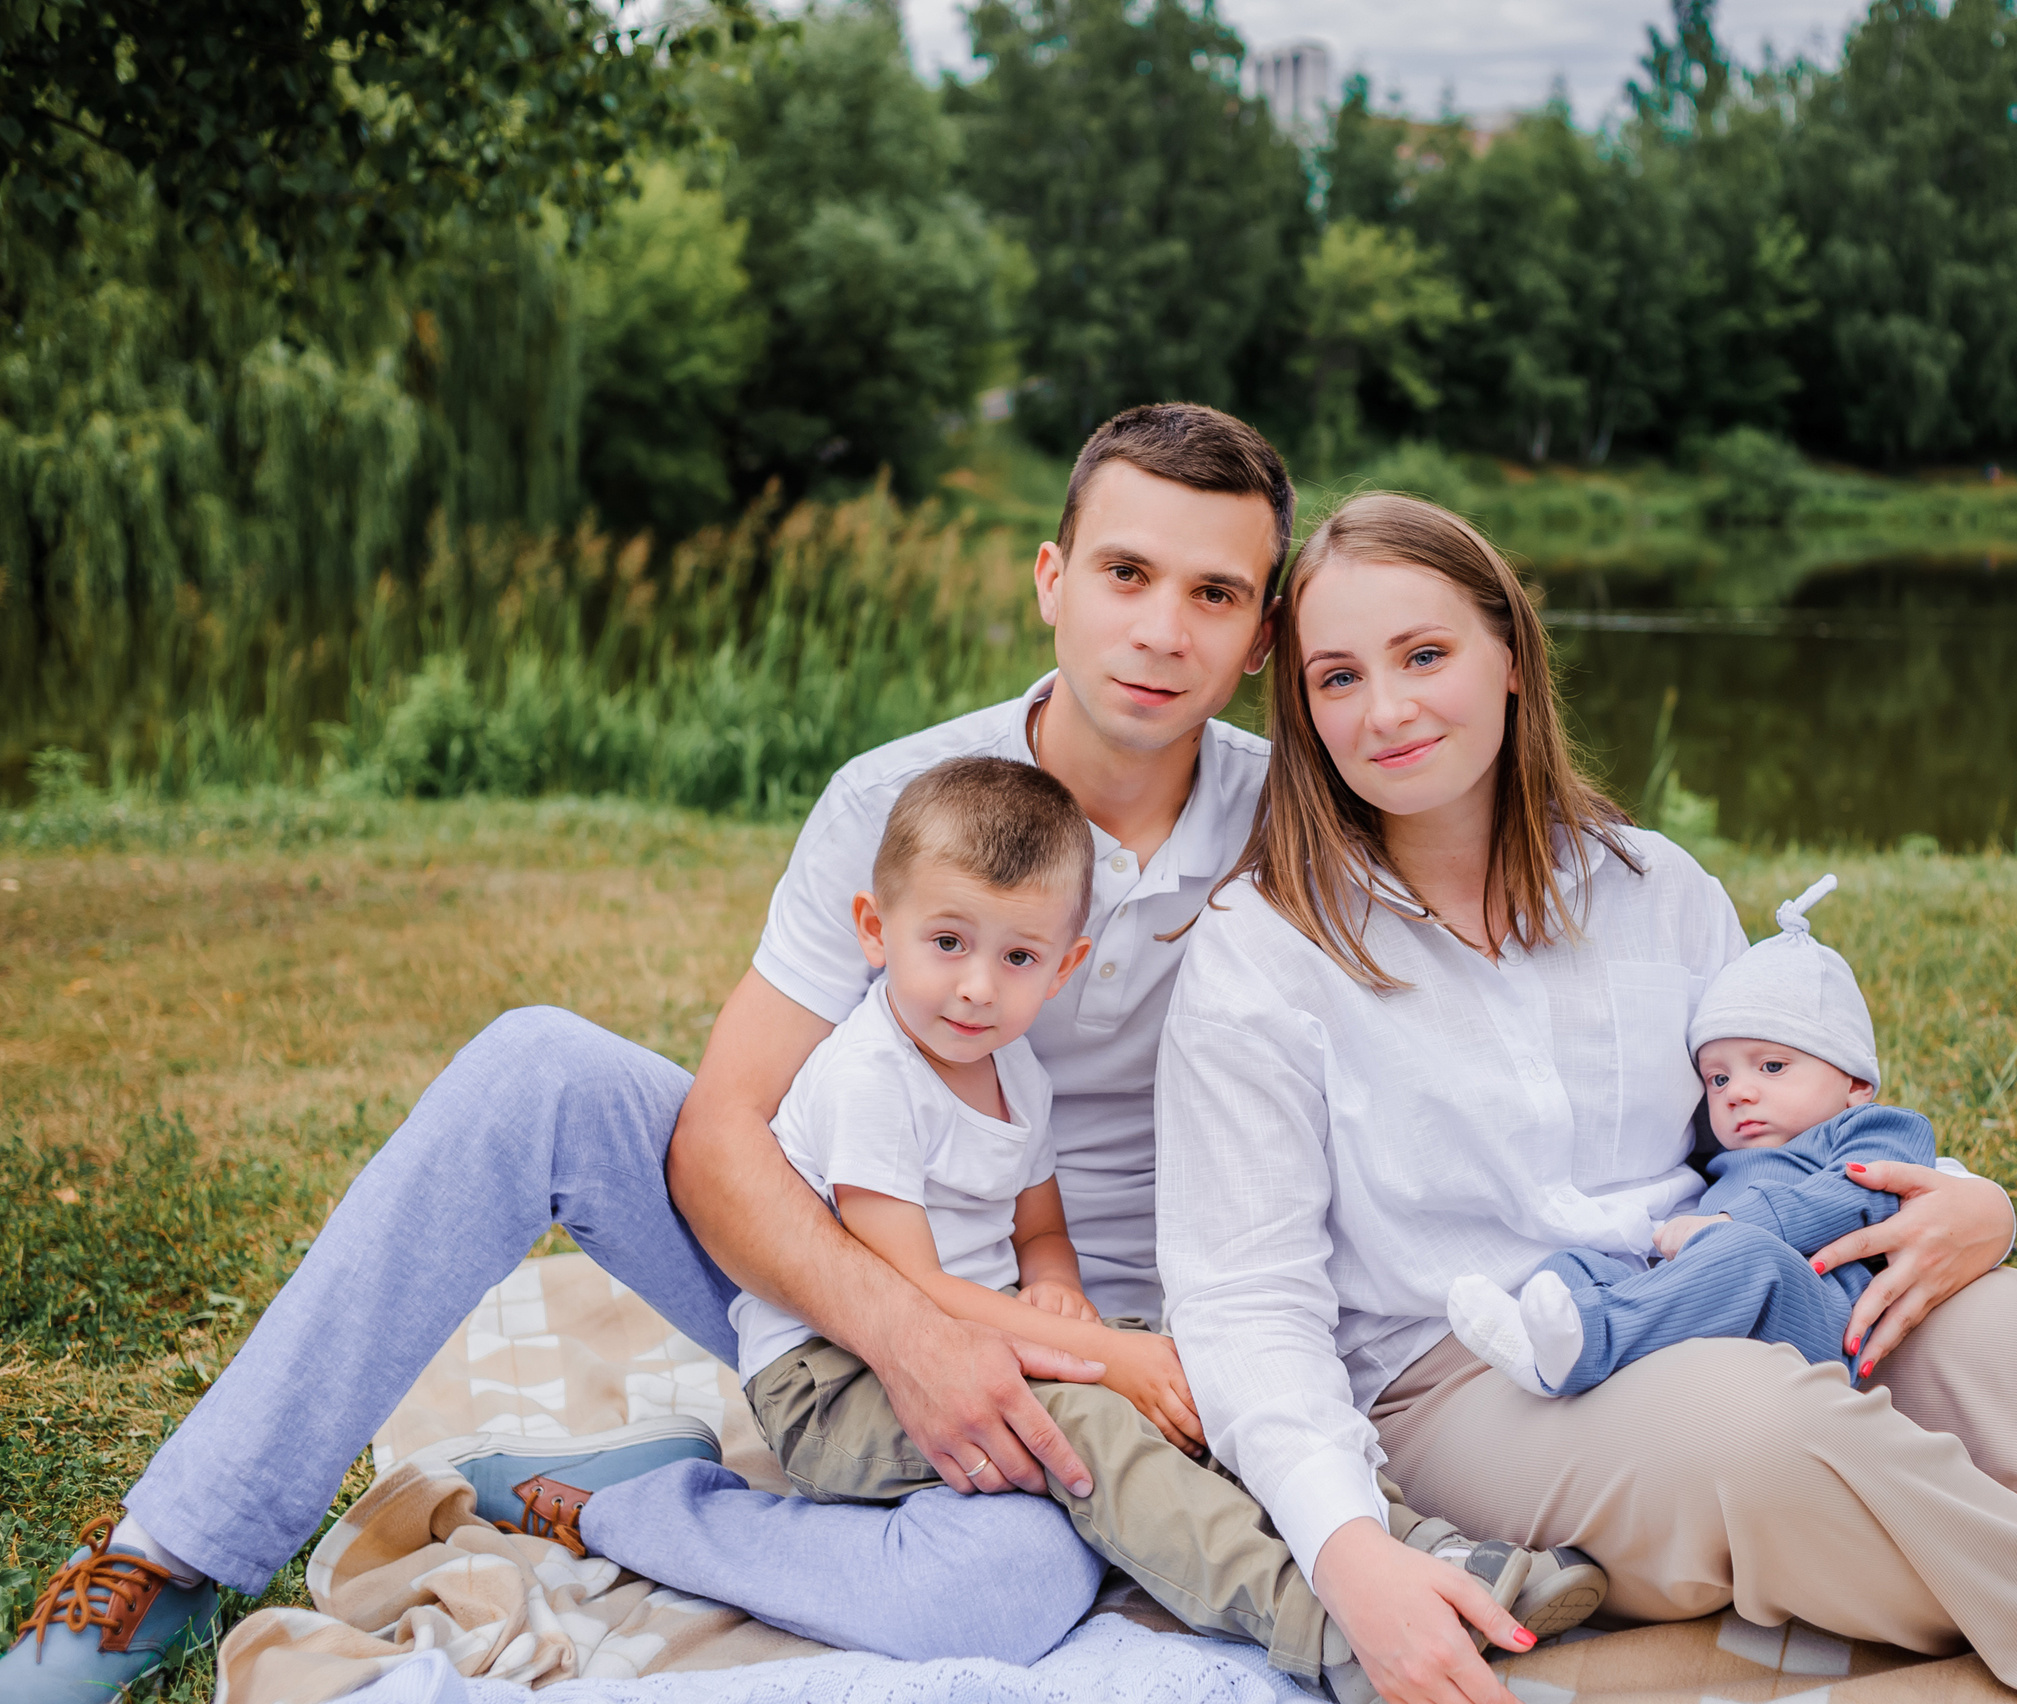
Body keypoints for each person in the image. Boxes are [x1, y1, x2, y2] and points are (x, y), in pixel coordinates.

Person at [15, 405, 1750, 1700]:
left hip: (1167, 1333)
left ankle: (642, 1501)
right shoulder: (897, 798)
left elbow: (1565, 946)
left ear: (1263, 634)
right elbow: (723, 1138)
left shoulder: (1306, 812)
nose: (1162, 628)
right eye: (1127, 573)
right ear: (1053, 580)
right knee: (537, 1065)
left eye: (1216, 594)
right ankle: (165, 1553)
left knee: (1005, 1589)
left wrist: (1830, 1160)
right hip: (881, 1248)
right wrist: (912, 1335)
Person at [1154, 490, 2017, 1704]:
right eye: (1337, 678)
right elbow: (1244, 1302)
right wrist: (1350, 1552)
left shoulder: (1651, 888)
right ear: (1303, 711)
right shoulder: (1262, 954)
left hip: (1737, 1273)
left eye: (1424, 654)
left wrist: (1966, 1198)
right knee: (1762, 1432)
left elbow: (1785, 1119)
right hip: (1465, 1379)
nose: (1387, 709)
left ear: (1509, 656)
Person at [731, 754, 1604, 1699]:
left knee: (1202, 1372)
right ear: (875, 928)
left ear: (1062, 968)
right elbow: (908, 1294)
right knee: (1094, 1420)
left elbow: (1038, 1231)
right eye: (947, 942)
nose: (978, 986)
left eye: (1017, 958)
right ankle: (1323, 1621)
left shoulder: (1014, 1070)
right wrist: (1104, 1357)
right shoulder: (871, 1077)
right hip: (839, 1376)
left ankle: (1417, 1548)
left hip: (981, 1334)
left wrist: (1059, 1288)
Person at [1446, 873, 1938, 1397]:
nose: (1737, 1092)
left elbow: (1859, 1194)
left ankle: (1589, 1345)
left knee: (1746, 1254)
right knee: (1571, 1265)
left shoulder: (1879, 1127)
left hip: (1825, 1313)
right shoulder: (1726, 1157)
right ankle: (1553, 1346)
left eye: (1772, 1066)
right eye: (1718, 1078)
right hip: (1716, 1300)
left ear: (1856, 1082)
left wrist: (1729, 1224)